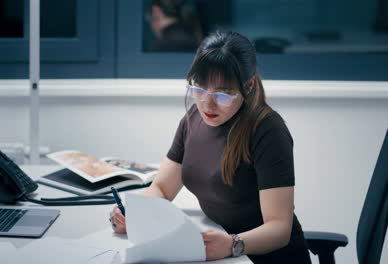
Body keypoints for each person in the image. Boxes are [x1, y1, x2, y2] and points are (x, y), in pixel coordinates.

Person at [109, 30, 311, 263]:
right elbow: (163, 188)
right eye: (199, 89)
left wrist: (233, 244)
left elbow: (279, 228)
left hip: (264, 258)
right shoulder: (194, 118)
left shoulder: (267, 131)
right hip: (220, 253)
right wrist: (137, 215)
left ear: (248, 86)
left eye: (223, 95)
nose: (208, 103)